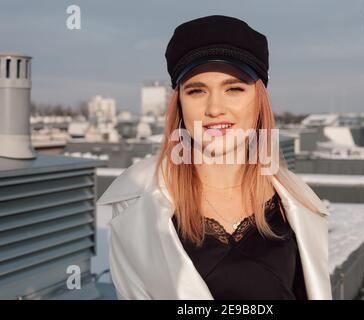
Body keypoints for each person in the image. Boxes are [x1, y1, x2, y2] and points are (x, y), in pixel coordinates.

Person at [97, 15, 332, 300]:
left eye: (234, 88)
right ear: (180, 102)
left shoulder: (299, 206)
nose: (215, 108)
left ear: (258, 99)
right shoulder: (134, 206)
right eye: (197, 91)